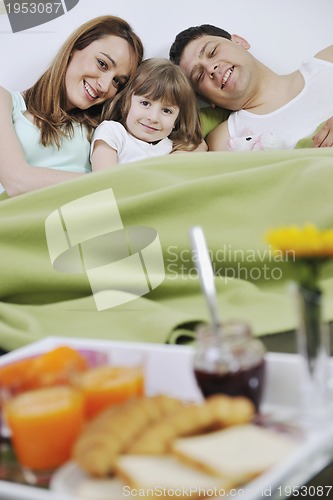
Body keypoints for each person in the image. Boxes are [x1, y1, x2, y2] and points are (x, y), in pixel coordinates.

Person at [0, 15, 143, 197]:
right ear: (74, 49)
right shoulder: (5, 101)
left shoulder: (104, 131)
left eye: (117, 81)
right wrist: (105, 183)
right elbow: (16, 180)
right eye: (102, 64)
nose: (105, 86)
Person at [169, 24, 333, 150]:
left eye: (212, 52)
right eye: (199, 76)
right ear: (207, 99)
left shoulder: (327, 61)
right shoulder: (224, 139)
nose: (210, 68)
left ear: (240, 42)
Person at [90, 58, 205, 170]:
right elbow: (102, 182)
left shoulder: (172, 148)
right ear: (126, 102)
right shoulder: (113, 133)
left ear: (177, 120)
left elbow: (200, 144)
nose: (153, 117)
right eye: (145, 103)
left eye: (166, 111)